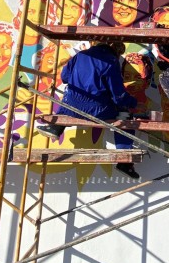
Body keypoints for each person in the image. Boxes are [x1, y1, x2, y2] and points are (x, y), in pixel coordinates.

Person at [35, 40, 141, 179]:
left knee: (70, 94)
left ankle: (56, 127)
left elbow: (65, 77)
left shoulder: (80, 55)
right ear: (116, 52)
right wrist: (134, 103)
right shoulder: (111, 62)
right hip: (97, 110)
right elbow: (119, 96)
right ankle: (124, 160)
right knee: (125, 114)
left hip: (70, 106)